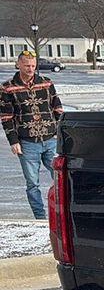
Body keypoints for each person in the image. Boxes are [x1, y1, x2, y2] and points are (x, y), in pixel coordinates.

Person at [1, 50, 64, 219]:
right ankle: (40, 217)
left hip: (51, 139)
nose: (30, 69)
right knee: (32, 183)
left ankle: (61, 213)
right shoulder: (8, 88)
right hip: (27, 143)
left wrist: (60, 133)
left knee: (61, 178)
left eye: (33, 65)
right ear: (18, 64)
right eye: (27, 65)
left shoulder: (46, 83)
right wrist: (13, 141)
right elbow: (6, 117)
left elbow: (57, 108)